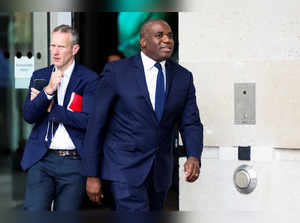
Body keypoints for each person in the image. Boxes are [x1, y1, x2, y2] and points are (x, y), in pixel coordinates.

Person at [82, 19, 203, 212]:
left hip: (160, 173)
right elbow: (97, 123)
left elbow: (191, 123)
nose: (167, 40)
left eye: (170, 36)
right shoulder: (117, 72)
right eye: (159, 35)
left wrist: (194, 155)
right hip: (123, 170)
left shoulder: (183, 77)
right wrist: (92, 174)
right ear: (143, 42)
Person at [21, 24, 99, 211]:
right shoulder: (40, 76)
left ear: (75, 49)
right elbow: (29, 116)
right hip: (42, 159)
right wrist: (47, 91)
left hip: (74, 163)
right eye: (52, 45)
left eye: (61, 47)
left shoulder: (89, 79)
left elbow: (89, 122)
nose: (55, 52)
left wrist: (53, 109)